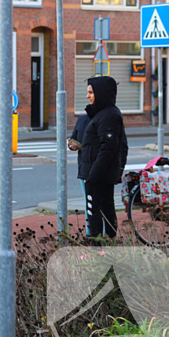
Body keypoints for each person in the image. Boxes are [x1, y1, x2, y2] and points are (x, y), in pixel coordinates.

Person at [80, 75, 128, 240]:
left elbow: (108, 148)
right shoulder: (102, 114)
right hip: (99, 172)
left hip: (98, 174)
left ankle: (98, 243)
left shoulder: (108, 116)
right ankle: (107, 240)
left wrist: (93, 176)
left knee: (95, 208)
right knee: (105, 206)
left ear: (101, 93)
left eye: (91, 92)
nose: (88, 96)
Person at [68, 112, 91, 236]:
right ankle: (90, 233)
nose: (88, 96)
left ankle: (104, 234)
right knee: (89, 201)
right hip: (84, 166)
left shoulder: (106, 117)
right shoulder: (82, 119)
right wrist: (72, 144)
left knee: (101, 203)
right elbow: (74, 137)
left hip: (101, 167)